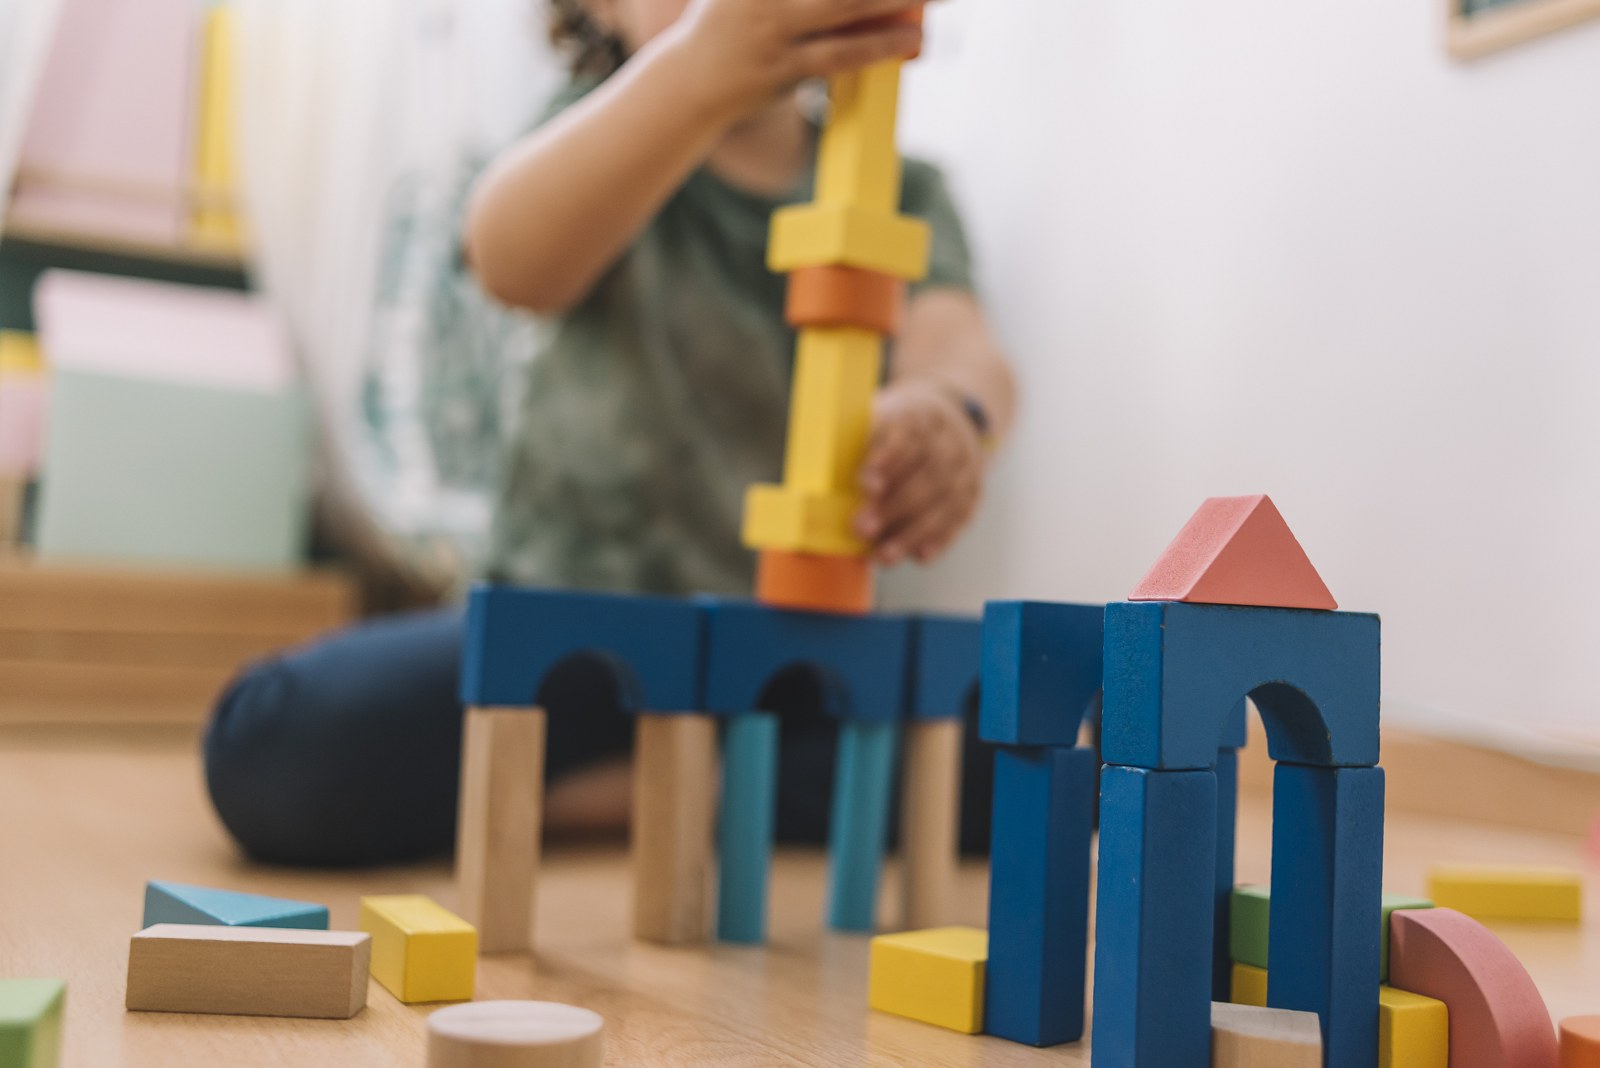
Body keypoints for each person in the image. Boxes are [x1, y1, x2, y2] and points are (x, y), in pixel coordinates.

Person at [203, 0, 1015, 867]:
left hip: (796, 658)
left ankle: (643, 786)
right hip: (573, 631)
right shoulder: (604, 133)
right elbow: (512, 258)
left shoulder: (902, 188)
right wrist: (696, 72)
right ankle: (689, 787)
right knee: (275, 742)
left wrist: (949, 412)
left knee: (1050, 749)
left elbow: (963, 350)